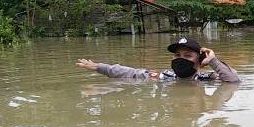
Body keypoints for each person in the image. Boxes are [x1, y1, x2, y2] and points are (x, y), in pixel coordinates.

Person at [75, 38, 240, 82]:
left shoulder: (207, 79)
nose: (180, 59)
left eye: (188, 56)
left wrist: (213, 61)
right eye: (177, 55)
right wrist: (98, 67)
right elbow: (130, 73)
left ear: (199, 61)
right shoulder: (165, 78)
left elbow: (233, 80)